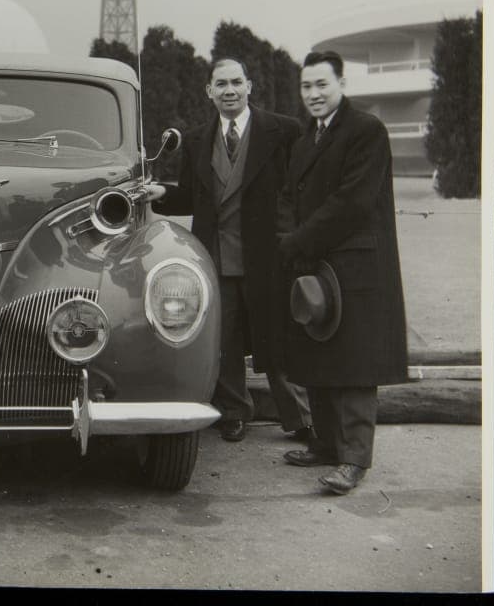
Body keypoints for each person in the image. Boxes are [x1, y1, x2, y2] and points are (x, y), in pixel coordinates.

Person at [149, 58, 312, 443]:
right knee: (223, 340)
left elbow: (301, 190)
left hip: (268, 257)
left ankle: (302, 419)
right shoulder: (196, 139)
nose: (229, 91)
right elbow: (191, 196)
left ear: (250, 86)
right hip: (216, 258)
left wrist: (294, 238)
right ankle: (234, 412)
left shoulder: (283, 131)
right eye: (220, 84)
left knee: (277, 339)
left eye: (236, 82)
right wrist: (162, 194)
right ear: (209, 91)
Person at [278, 50, 408, 495]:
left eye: (322, 85)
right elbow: (287, 201)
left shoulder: (365, 131)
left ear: (341, 85)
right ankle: (325, 444)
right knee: (317, 352)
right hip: (315, 262)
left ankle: (353, 459)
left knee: (355, 362)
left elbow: (351, 203)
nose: (313, 94)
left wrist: (297, 242)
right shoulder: (304, 140)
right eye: (306, 86)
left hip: (354, 263)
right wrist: (287, 237)